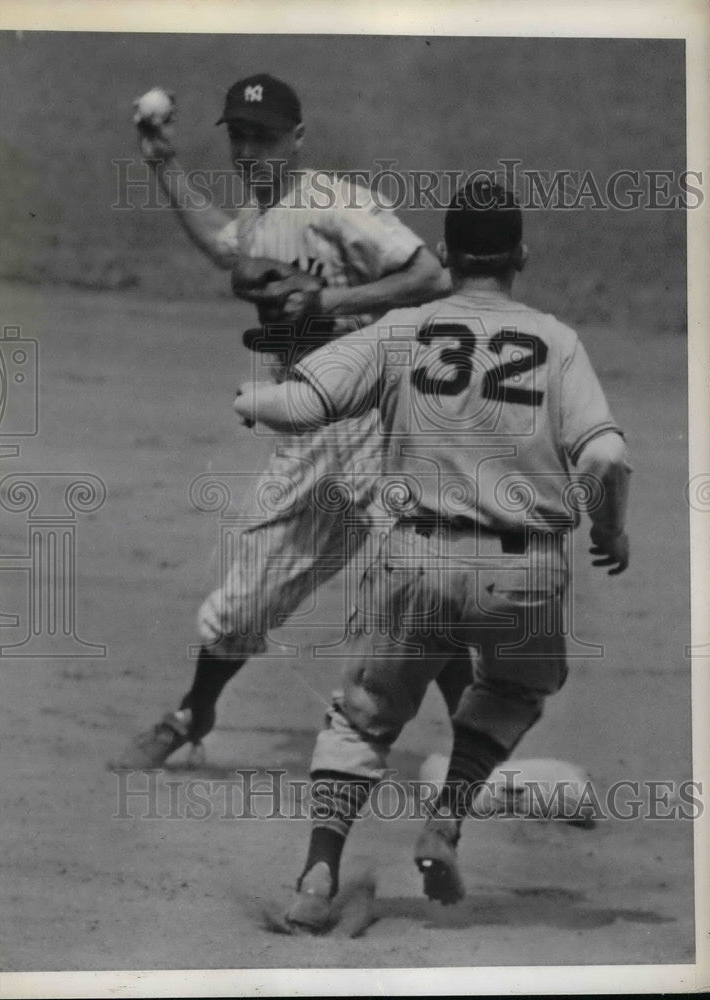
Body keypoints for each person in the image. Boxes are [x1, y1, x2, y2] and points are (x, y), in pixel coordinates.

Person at [235, 178, 631, 932]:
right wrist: (610, 532)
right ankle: (446, 820)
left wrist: (250, 401)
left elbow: (302, 404)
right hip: (526, 576)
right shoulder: (557, 340)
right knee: (513, 690)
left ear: (445, 254)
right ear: (522, 254)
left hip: (415, 563)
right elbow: (605, 457)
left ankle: (317, 873)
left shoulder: (403, 329)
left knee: (363, 722)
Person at [110, 73, 473, 770]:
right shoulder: (258, 217)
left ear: (297, 139)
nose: (250, 151)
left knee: (417, 583)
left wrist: (332, 298)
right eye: (241, 137)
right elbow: (224, 245)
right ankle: (194, 713)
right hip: (310, 435)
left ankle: (481, 752)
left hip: (382, 420)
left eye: (265, 137)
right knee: (246, 603)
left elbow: (430, 276)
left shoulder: (339, 206)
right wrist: (163, 162)